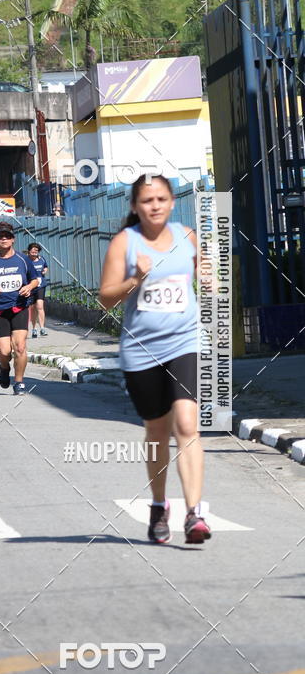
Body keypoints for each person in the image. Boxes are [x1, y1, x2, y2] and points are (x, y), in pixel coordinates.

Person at [99, 174, 210, 545]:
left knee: (187, 425)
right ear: (135, 206)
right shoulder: (124, 243)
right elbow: (106, 298)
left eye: (162, 198)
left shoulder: (187, 237)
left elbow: (205, 275)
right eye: (147, 200)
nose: (156, 205)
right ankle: (159, 505)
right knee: (157, 433)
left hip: (185, 342)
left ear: (172, 202)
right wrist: (136, 278)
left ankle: (194, 513)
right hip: (141, 351)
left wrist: (209, 278)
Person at [0, 223, 38, 395]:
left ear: (13, 239)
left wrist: (29, 287)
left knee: (20, 347)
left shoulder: (22, 259)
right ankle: (4, 368)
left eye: (7, 236)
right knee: (4, 352)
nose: (4, 239)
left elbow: (34, 279)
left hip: (19, 307)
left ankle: (19, 382)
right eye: (0, 236)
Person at [27, 243, 49, 338]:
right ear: (29, 251)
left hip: (41, 285)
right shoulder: (26, 260)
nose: (34, 252)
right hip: (31, 286)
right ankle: (34, 328)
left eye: (36, 251)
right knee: (33, 308)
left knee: (40, 306)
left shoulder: (42, 259)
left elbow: (45, 266)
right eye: (33, 250)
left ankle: (42, 328)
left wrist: (45, 271)